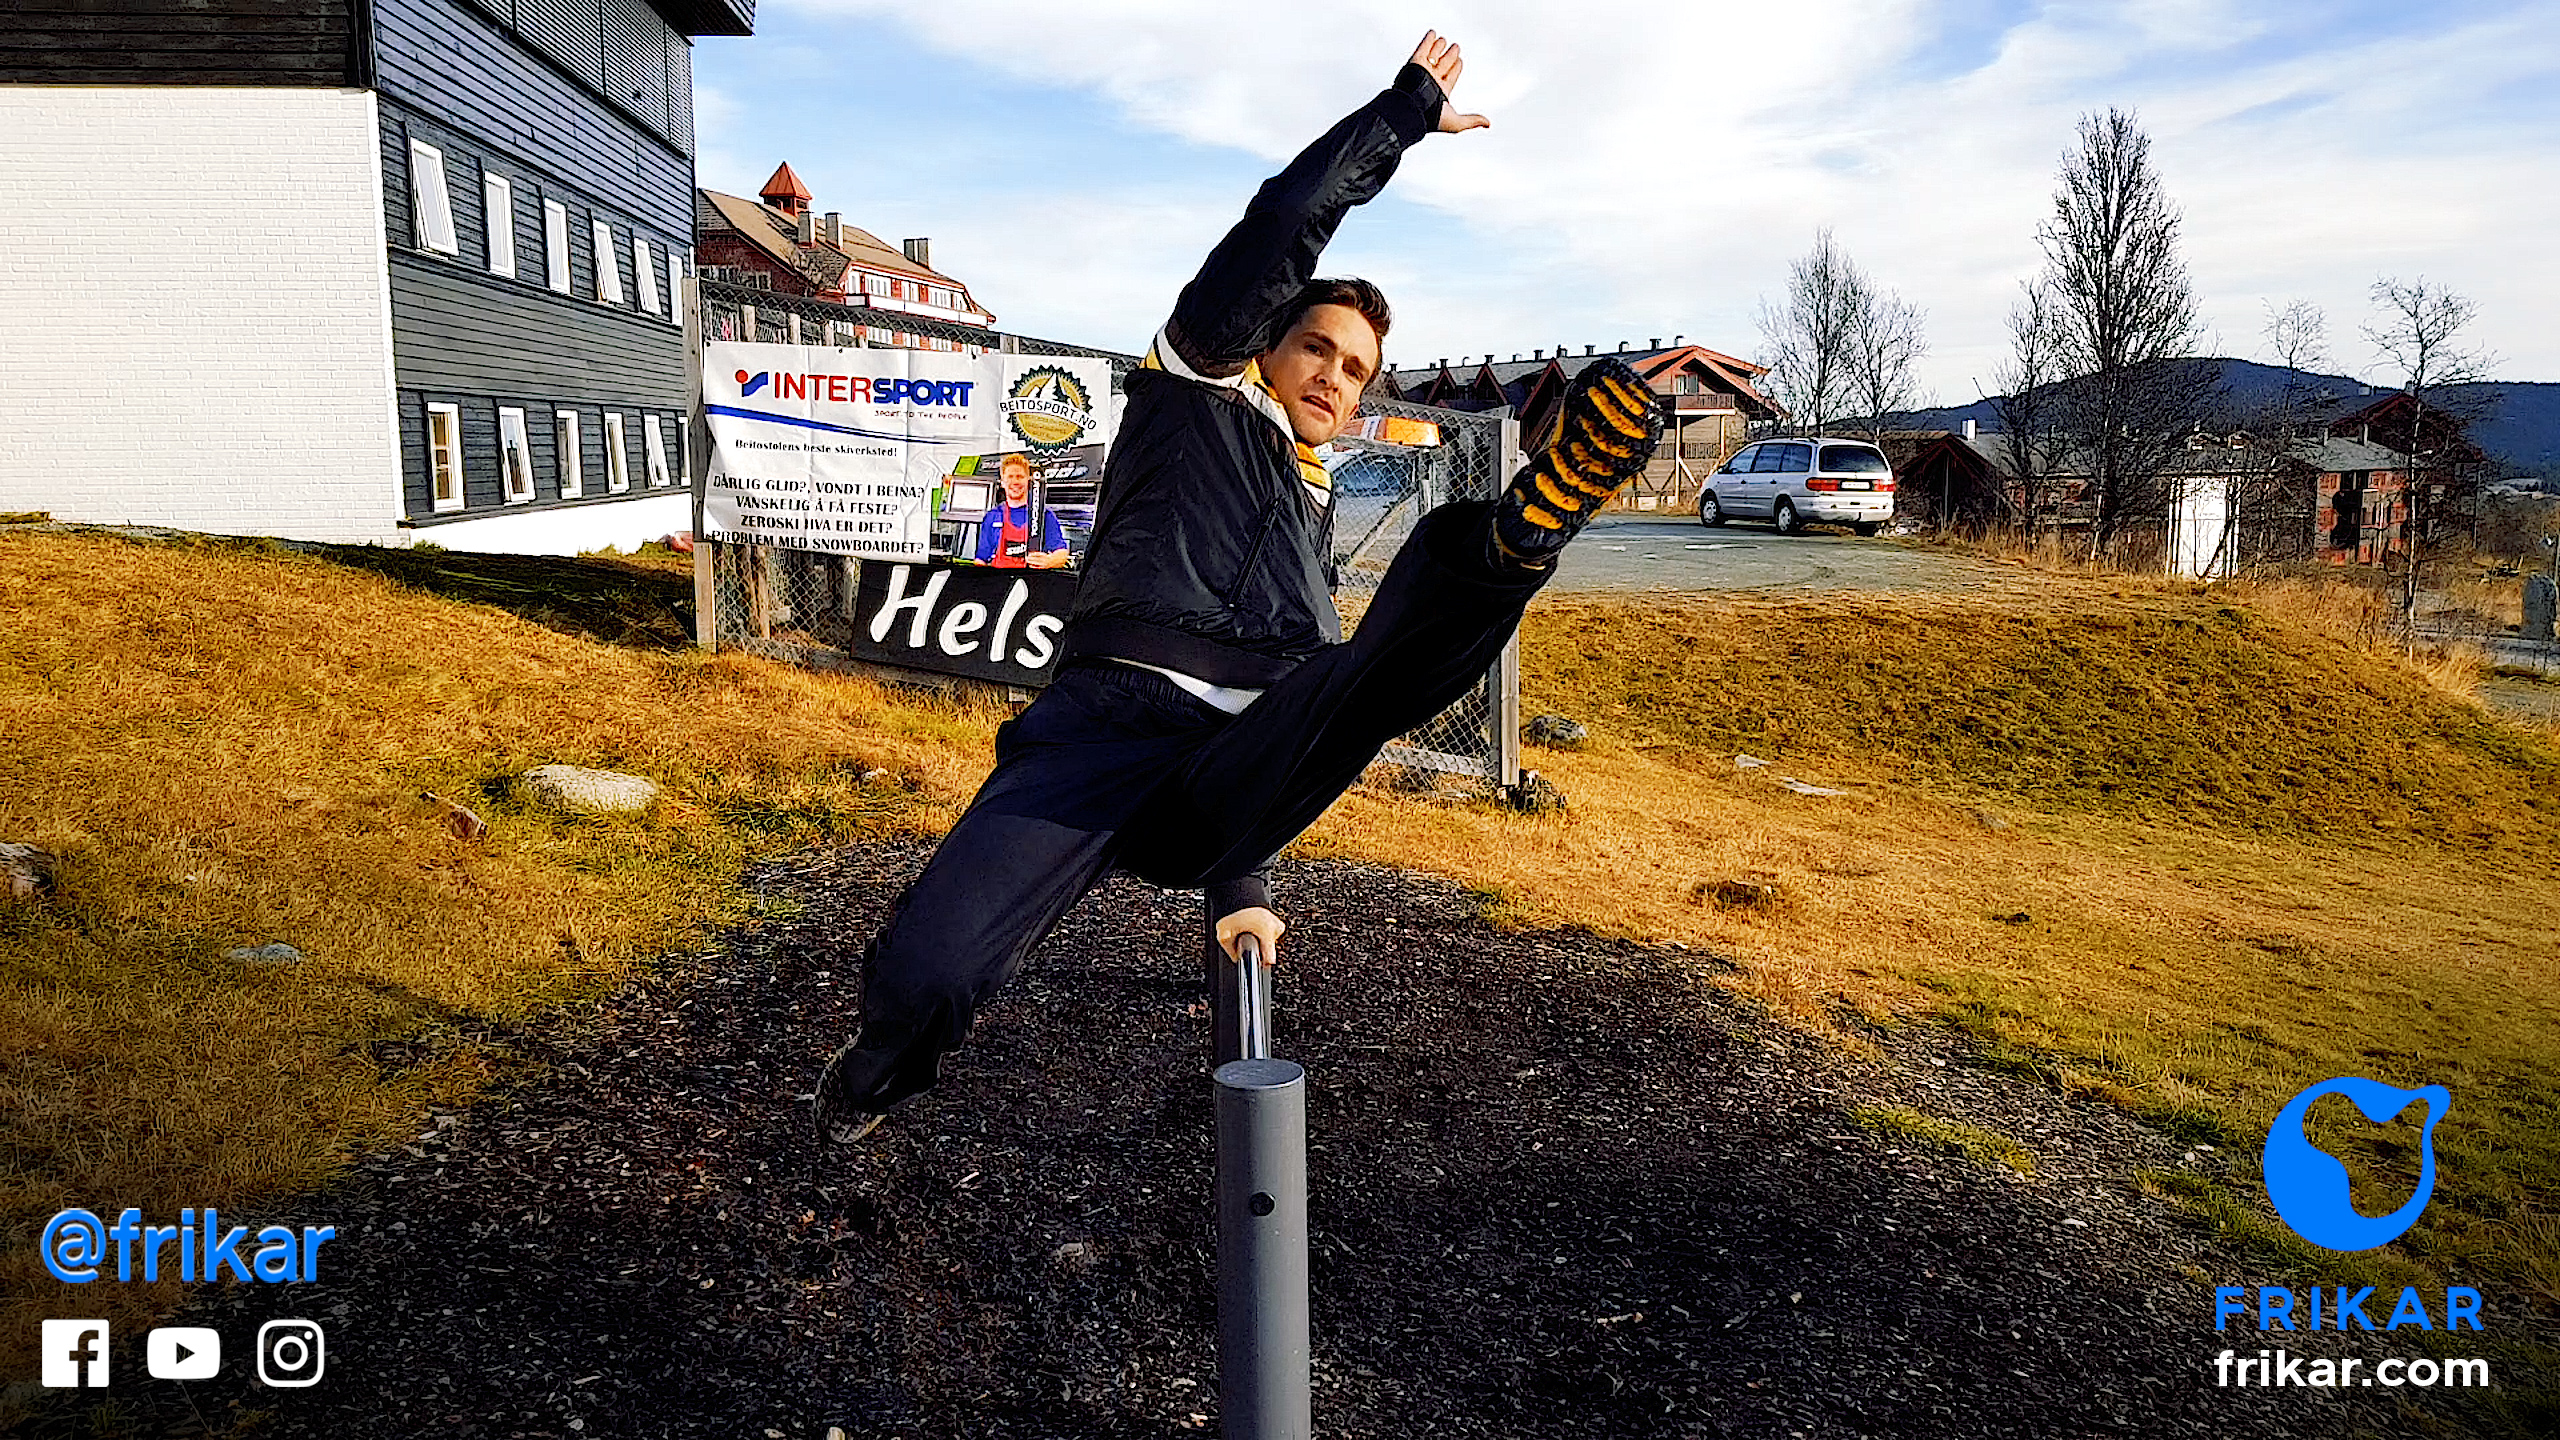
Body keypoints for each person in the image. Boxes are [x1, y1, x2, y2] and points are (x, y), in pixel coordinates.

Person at [815, 31, 1661, 1142]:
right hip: (1100, 736)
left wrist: (1243, 886)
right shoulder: (1194, 378)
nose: (1333, 376)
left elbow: (1291, 734)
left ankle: (1512, 540)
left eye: (1355, 371)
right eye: (1318, 347)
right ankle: (871, 1076)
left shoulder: (1313, 509)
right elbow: (1283, 219)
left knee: (1366, 673)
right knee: (931, 973)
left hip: (1241, 762)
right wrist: (1401, 117)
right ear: (1270, 343)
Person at [973, 452, 1072, 569]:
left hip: (1032, 582)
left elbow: (1062, 553)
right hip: (1000, 581)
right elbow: (981, 560)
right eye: (1010, 477)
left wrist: (1049, 561)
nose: (1015, 482)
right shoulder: (992, 516)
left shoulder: (1043, 515)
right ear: (1002, 482)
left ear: (1028, 480)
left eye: (1020, 476)